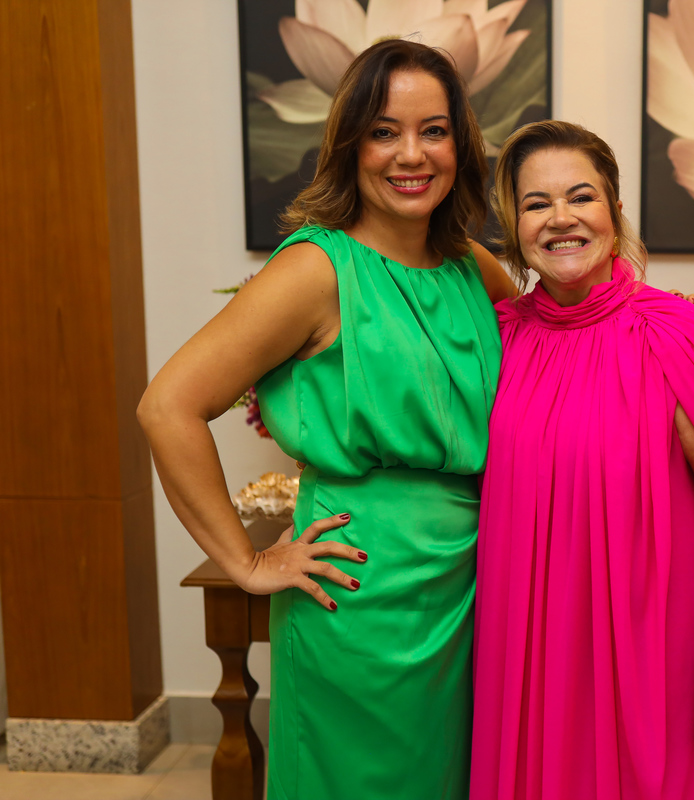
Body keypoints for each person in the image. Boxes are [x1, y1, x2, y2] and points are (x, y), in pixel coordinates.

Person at [138, 40, 514, 800]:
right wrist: (247, 565)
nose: (411, 155)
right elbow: (168, 406)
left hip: (479, 586)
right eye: (384, 131)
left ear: (461, 144)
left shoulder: (472, 267)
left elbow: (554, 369)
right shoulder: (314, 269)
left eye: (434, 131)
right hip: (359, 595)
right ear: (350, 145)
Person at [470, 120, 694, 800]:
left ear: (614, 213)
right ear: (516, 229)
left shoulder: (674, 333)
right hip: (532, 651)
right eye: (536, 204)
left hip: (656, 647)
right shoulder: (495, 340)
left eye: (580, 197)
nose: (561, 218)